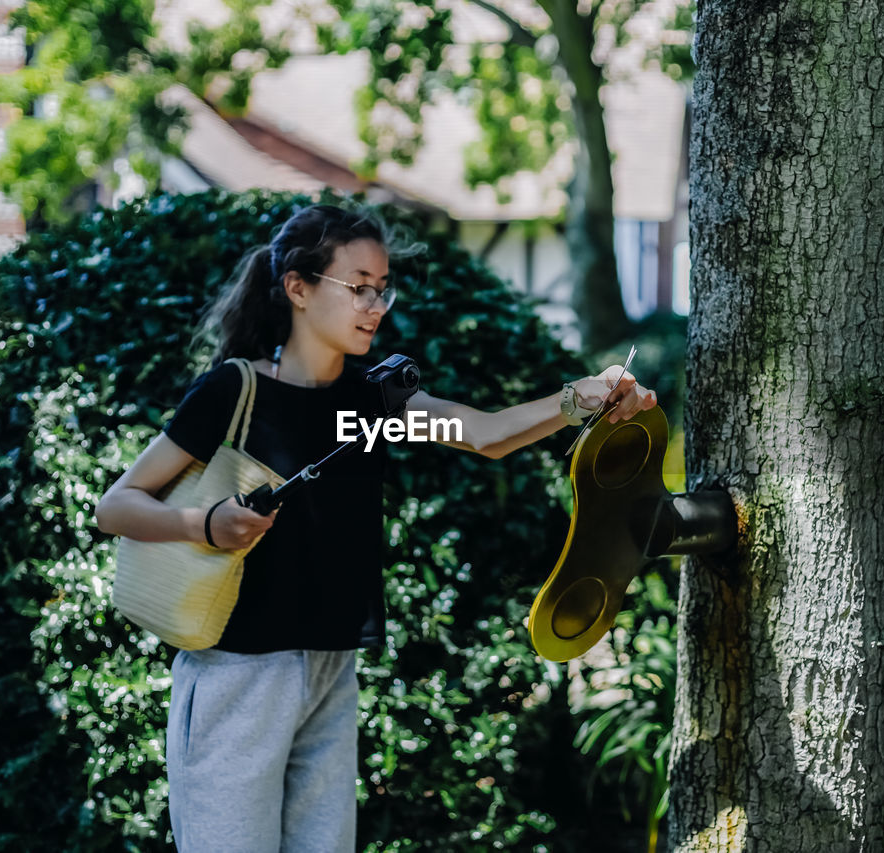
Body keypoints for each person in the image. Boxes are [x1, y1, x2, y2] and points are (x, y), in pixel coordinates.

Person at [93, 203, 657, 852]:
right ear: (298, 288)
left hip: (331, 668)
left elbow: (487, 433)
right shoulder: (234, 391)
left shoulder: (373, 402)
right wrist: (207, 523)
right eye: (358, 286)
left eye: (382, 289)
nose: (375, 305)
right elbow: (117, 506)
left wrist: (582, 396)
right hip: (236, 673)